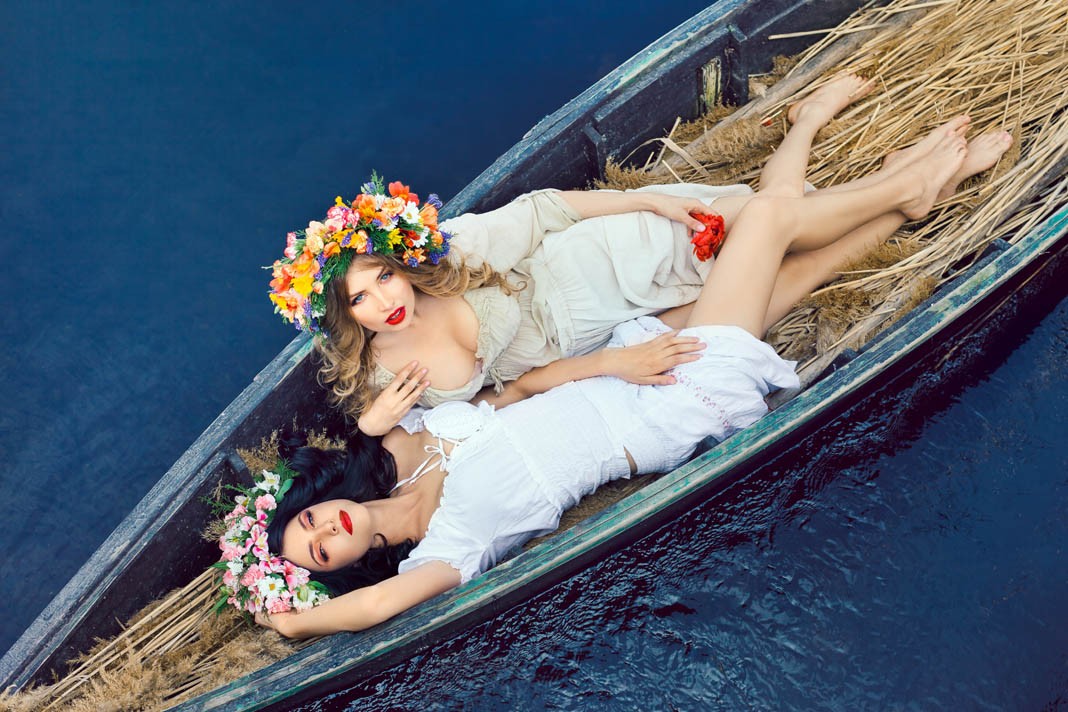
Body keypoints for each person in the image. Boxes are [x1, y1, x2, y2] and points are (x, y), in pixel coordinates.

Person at [249, 113, 1012, 638]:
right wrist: (294, 621)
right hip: (657, 410)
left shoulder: (407, 446)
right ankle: (905, 186)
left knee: (792, 268)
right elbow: (372, 611)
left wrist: (615, 359)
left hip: (622, 361)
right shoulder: (442, 555)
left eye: (312, 521)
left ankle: (900, 191)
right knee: (770, 229)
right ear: (344, 569)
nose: (327, 530)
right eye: (321, 552)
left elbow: (518, 389)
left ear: (324, 502)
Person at [269, 76, 1009, 438]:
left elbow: (546, 211)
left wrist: (649, 200)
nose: (386, 299)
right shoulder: (380, 379)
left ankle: (900, 184)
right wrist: (375, 426)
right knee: (774, 245)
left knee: (771, 223)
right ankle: (839, 146)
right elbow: (475, 418)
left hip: (602, 259)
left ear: (398, 263)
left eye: (383, 275)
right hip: (612, 329)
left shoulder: (450, 254)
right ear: (343, 315)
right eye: (361, 298)